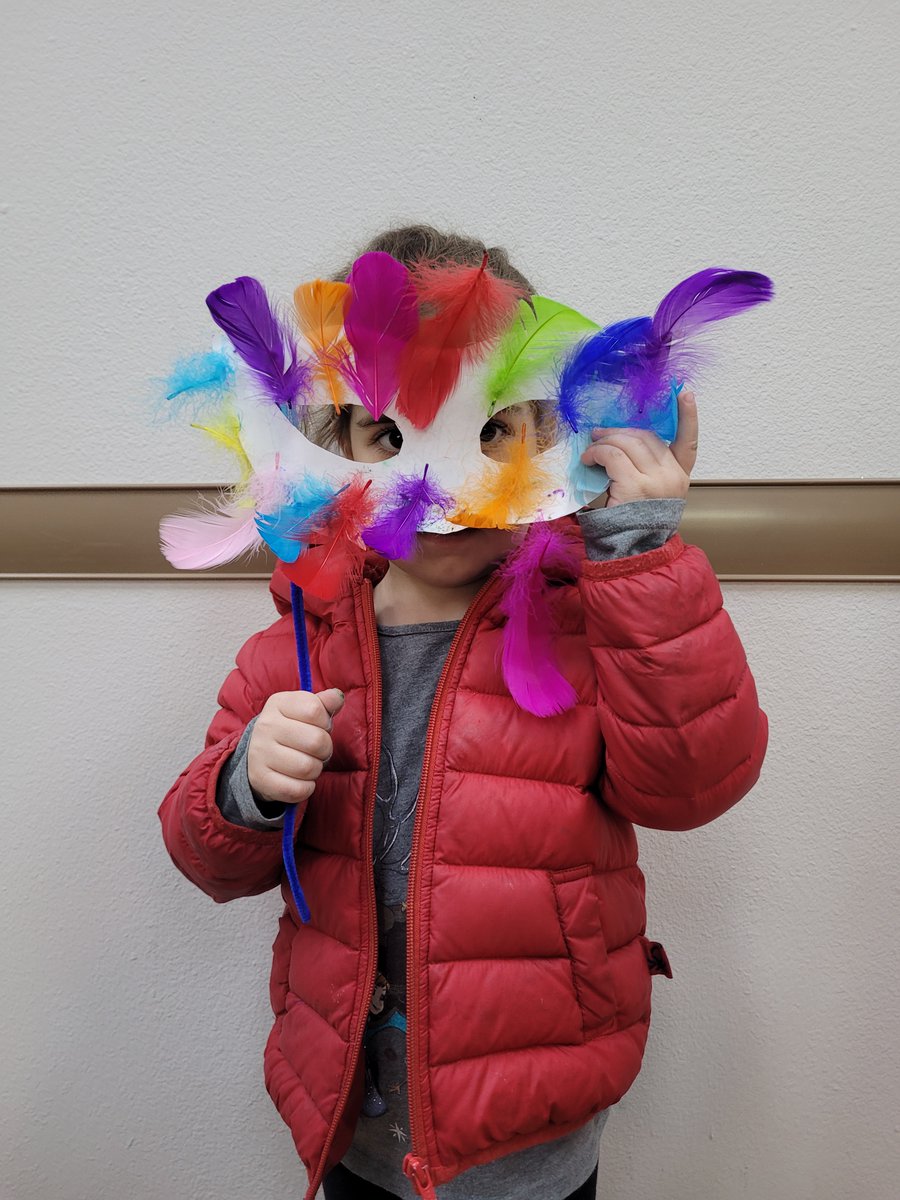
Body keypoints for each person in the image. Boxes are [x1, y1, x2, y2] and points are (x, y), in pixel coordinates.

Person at [158, 224, 769, 1200]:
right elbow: (205, 859)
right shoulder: (295, 643)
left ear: (555, 433)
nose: (445, 484)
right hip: (351, 1119)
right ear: (335, 446)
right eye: (392, 435)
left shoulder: (590, 621)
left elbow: (694, 782)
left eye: (492, 431)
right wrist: (243, 788)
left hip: (533, 1132)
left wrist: (641, 560)